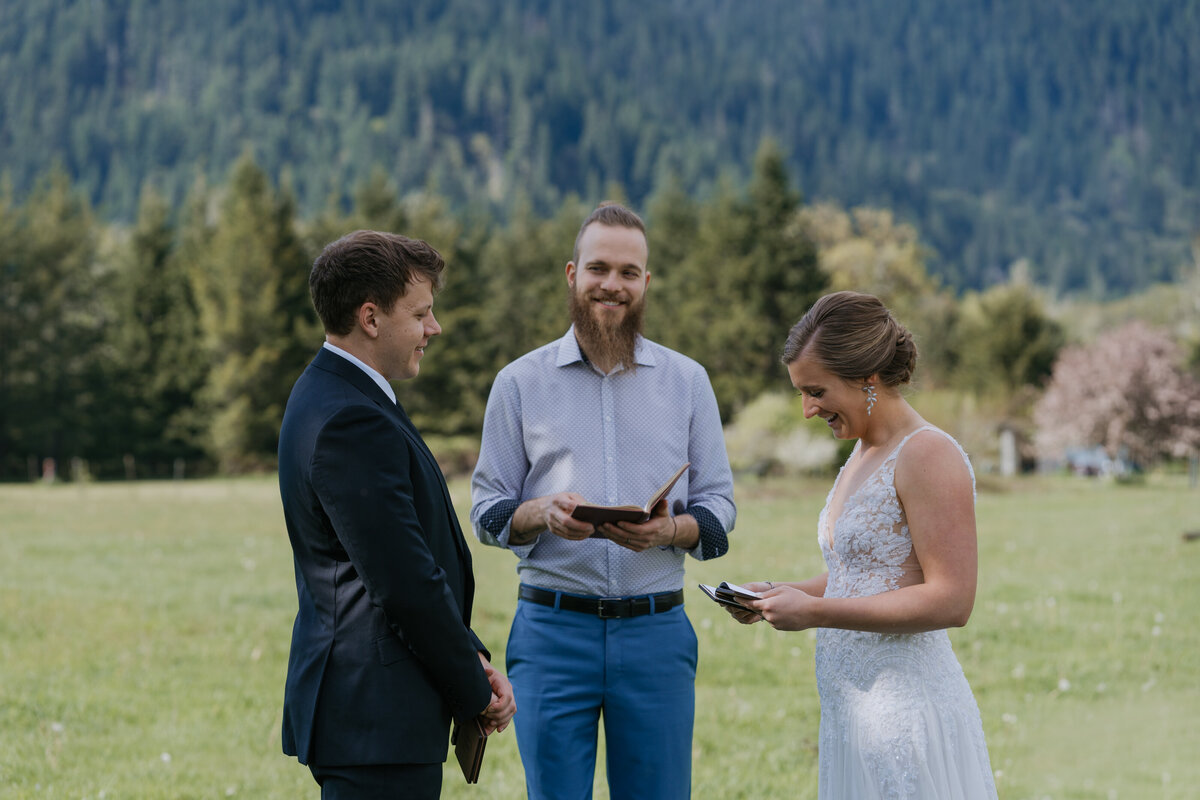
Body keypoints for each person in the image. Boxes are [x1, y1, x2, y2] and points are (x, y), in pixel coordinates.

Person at [470, 202, 736, 800]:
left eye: (627, 272)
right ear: (572, 274)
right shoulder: (518, 383)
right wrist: (542, 513)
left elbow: (720, 512)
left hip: (657, 634)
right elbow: (486, 513)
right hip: (551, 633)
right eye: (598, 269)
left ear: (646, 282)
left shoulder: (687, 381)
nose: (611, 284)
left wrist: (670, 532)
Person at [722, 290, 997, 799]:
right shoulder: (863, 452)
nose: (807, 410)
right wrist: (780, 592)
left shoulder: (928, 454)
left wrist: (815, 613)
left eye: (816, 391)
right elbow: (865, 573)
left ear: (866, 379)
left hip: (906, 711)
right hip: (853, 711)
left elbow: (952, 599)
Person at [277, 230, 516, 799]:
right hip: (374, 717)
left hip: (374, 717)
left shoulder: (340, 395)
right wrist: (472, 686)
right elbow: (404, 580)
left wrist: (471, 655)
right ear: (370, 317)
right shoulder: (348, 419)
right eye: (422, 313)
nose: (434, 328)